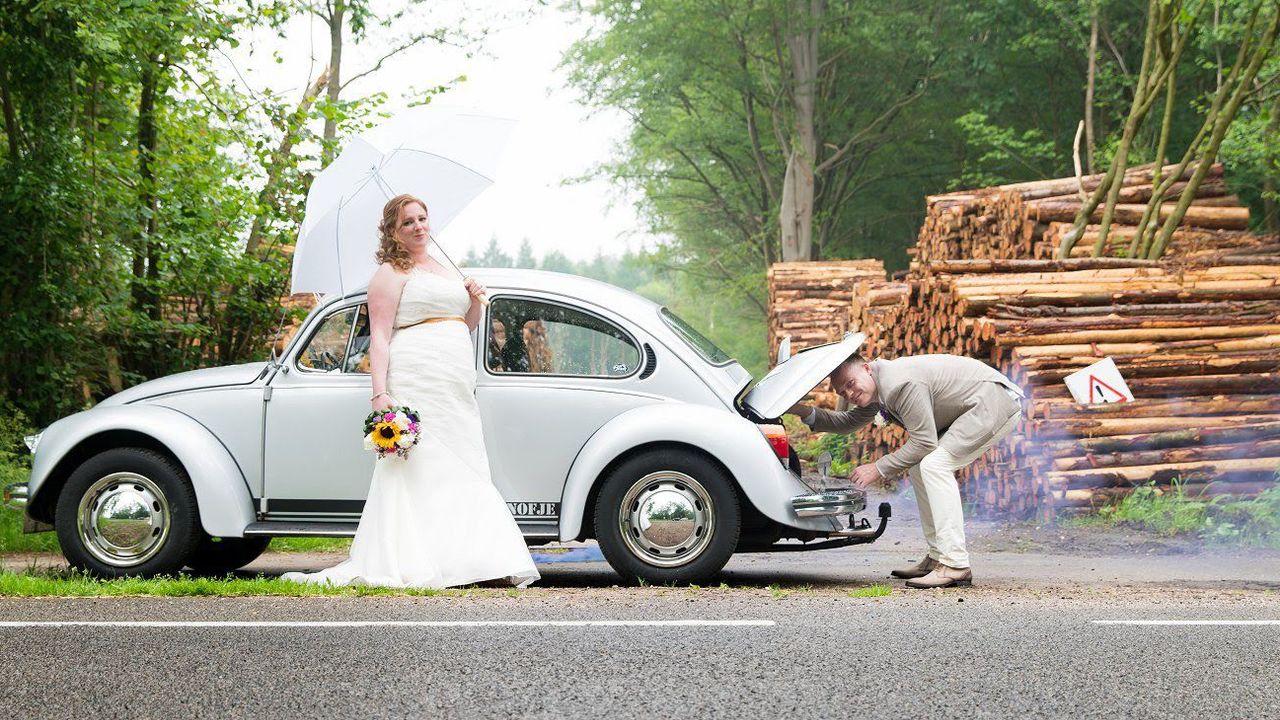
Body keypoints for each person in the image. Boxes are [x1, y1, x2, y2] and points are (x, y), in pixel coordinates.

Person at [283, 194, 539, 589]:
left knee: (464, 459)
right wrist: (379, 392)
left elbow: (464, 323)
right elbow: (381, 337)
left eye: (422, 218)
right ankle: (419, 558)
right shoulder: (389, 274)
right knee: (421, 463)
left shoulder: (446, 267)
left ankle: (469, 559)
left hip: (453, 379)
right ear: (393, 231)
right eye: (408, 222)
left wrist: (473, 300)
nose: (419, 226)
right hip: (415, 375)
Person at [787, 353, 1023, 589]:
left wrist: (878, 468)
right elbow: (846, 422)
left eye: (850, 384)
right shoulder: (878, 386)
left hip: (991, 402)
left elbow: (924, 442)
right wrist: (800, 411)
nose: (849, 394)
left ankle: (955, 564)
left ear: (867, 368)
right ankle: (938, 556)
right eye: (843, 393)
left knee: (933, 465)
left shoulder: (899, 383)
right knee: (920, 467)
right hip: (973, 406)